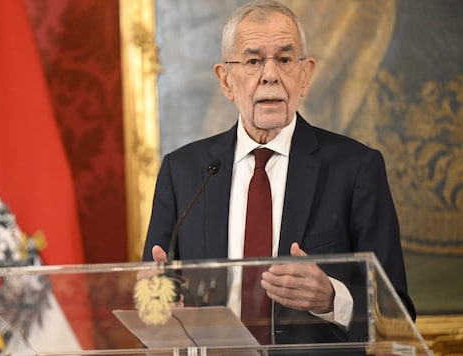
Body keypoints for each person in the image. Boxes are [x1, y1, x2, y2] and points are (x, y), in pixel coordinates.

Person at [142, 0, 415, 346]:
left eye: (285, 59)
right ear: (225, 80)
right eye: (253, 60)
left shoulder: (356, 168)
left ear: (305, 76)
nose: (270, 74)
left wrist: (332, 299)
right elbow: (152, 301)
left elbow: (399, 313)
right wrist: (159, 307)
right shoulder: (183, 173)